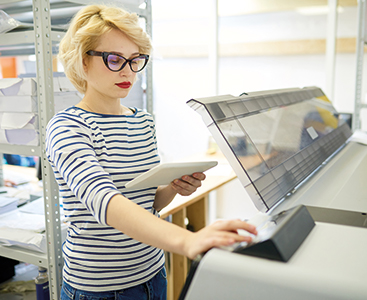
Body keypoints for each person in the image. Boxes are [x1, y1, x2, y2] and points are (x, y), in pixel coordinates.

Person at [46, 4, 257, 300]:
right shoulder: (67, 127)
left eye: (136, 60)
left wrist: (172, 187)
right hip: (101, 288)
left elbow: (148, 201)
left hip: (153, 273)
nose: (128, 72)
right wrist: (186, 241)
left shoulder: (142, 121)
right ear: (83, 61)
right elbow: (104, 201)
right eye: (115, 59)